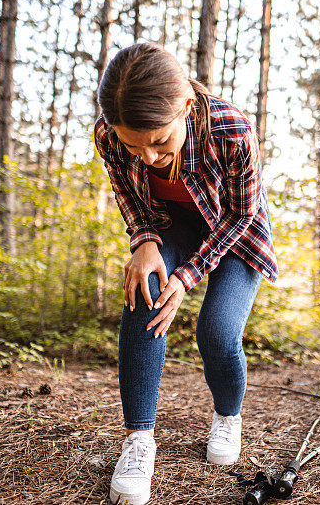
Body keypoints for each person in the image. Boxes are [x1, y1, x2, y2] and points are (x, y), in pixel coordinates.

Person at [93, 42, 279, 505]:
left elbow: (241, 216)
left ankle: (227, 416)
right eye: (134, 145)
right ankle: (138, 441)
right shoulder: (108, 135)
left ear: (185, 107)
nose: (148, 156)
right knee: (143, 296)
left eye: (159, 141)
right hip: (167, 226)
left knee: (216, 332)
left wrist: (187, 276)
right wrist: (145, 243)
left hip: (234, 229)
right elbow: (130, 199)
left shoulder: (231, 129)